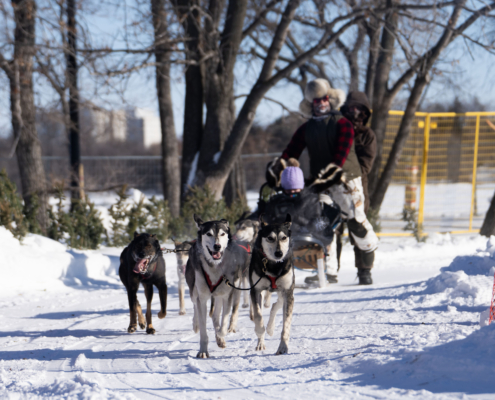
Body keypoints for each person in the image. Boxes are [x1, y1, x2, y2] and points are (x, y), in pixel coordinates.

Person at [267, 79, 378, 285]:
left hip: (347, 180)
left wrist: (333, 171)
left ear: (331, 100)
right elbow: (291, 151)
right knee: (324, 224)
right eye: (316, 101)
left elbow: (341, 153)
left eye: (324, 99)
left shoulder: (342, 123)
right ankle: (326, 271)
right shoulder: (306, 128)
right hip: (322, 184)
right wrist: (279, 167)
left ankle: (368, 258)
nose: (320, 103)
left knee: (356, 223)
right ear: (311, 104)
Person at [338, 91, 377, 283]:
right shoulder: (337, 129)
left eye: (358, 108)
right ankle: (329, 271)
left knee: (358, 226)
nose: (354, 111)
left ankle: (364, 270)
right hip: (334, 185)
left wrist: (350, 176)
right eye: (350, 107)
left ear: (364, 112)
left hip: (357, 187)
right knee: (332, 228)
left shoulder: (367, 135)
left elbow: (366, 164)